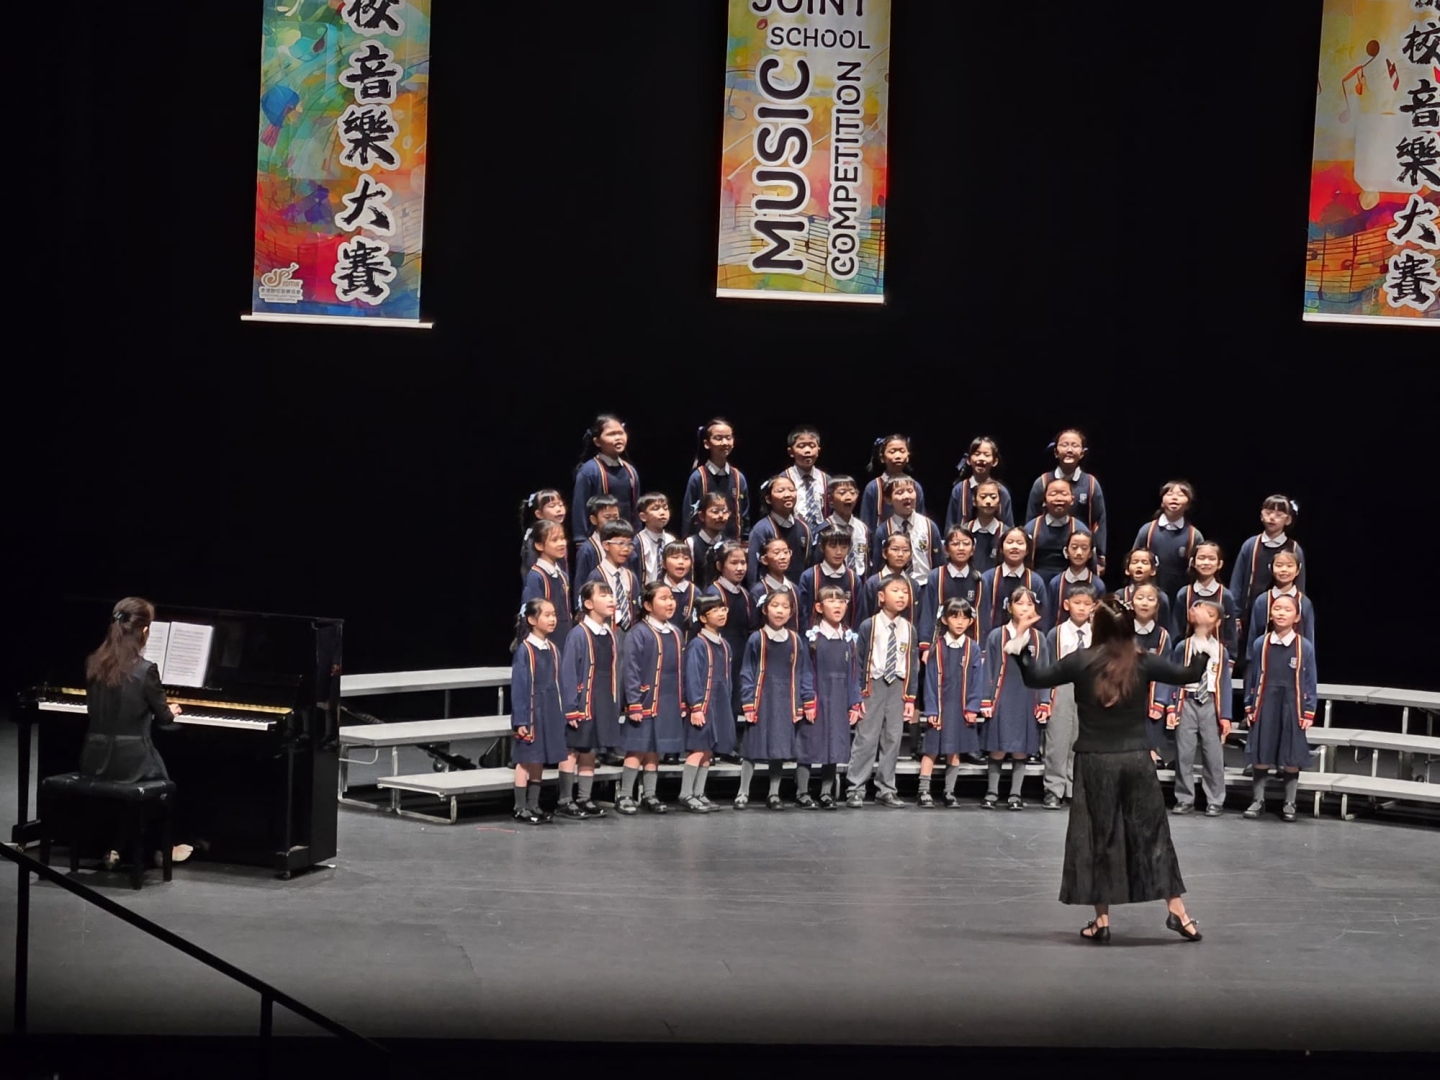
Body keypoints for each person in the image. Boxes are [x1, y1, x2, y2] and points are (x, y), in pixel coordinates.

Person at [1010, 594, 1207, 943]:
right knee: (1152, 835)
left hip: (1095, 761)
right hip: (1136, 759)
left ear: (1096, 627)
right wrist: (1202, 634)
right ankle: (1179, 913)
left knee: (1097, 837)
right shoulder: (1143, 660)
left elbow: (1034, 678)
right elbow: (1191, 673)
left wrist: (1021, 637)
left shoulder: (1080, 661)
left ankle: (1102, 921)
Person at [81, 597, 192, 868]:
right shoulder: (145, 669)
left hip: (93, 756)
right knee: (163, 789)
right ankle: (162, 847)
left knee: (142, 789)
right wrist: (171, 709)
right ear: (144, 631)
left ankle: (116, 847)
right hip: (132, 760)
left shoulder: (93, 662)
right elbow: (164, 717)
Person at [1242, 594, 1317, 824]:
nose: (1281, 613)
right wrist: (1249, 704)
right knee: (1261, 752)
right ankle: (1258, 799)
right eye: (1277, 608)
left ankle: (1290, 802)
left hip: (1292, 703)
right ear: (1270, 613)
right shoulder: (1261, 644)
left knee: (1292, 754)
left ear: (1297, 617)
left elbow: (1310, 680)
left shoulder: (1304, 646)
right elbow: (1252, 677)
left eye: (1287, 609)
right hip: (1266, 701)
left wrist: (1309, 710)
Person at [737, 591, 815, 810]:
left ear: (791, 612)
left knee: (778, 747)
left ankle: (773, 793)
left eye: (785, 607)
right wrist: (748, 702)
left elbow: (804, 672)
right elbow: (747, 672)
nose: (780, 611)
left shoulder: (795, 640)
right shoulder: (757, 639)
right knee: (752, 746)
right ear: (765, 609)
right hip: (762, 699)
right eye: (775, 605)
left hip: (786, 700)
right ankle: (743, 792)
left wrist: (807, 699)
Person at [846, 577, 919, 808]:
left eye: (905, 592)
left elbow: (912, 664)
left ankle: (886, 788)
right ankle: (855, 788)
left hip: (897, 685)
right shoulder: (870, 625)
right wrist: (858, 694)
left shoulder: (909, 628)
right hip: (873, 684)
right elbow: (859, 661)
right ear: (881, 596)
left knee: (892, 738)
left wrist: (910, 698)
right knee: (866, 737)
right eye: (895, 590)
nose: (901, 596)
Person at [618, 583, 686, 815]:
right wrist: (634, 702)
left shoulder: (676, 633)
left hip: (667, 699)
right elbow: (631, 670)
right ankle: (625, 794)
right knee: (637, 748)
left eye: (671, 598)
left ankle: (649, 794)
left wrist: (682, 700)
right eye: (663, 598)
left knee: (654, 749)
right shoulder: (638, 633)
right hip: (645, 699)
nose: (670, 603)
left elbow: (680, 670)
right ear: (648, 605)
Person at [981, 588, 1050, 809]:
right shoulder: (997, 635)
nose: (1025, 608)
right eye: (1020, 603)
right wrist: (986, 699)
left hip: (1027, 698)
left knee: (1021, 748)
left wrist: (1044, 702)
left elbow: (1044, 670)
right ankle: (992, 792)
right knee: (998, 746)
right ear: (1010, 607)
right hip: (1002, 697)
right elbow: (988, 669)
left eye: (1029, 604)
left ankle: (1015, 794)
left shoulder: (1038, 638)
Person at [797, 586, 862, 809]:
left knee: (834, 744)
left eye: (842, 601)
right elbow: (805, 671)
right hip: (818, 697)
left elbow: (854, 673)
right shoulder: (812, 638)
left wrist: (854, 702)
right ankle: (802, 792)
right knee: (810, 744)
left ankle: (826, 792)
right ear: (819, 607)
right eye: (831, 601)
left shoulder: (849, 638)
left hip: (839, 697)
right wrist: (808, 699)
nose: (838, 606)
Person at [558, 582, 619, 818]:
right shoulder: (579, 634)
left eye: (611, 595)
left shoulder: (609, 633)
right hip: (582, 700)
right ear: (588, 603)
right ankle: (565, 799)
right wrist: (571, 706)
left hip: (601, 699)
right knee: (573, 748)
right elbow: (569, 672)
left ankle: (584, 797)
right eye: (604, 596)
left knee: (590, 749)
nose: (611, 600)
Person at [916, 599, 984, 808]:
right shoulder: (936, 648)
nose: (960, 622)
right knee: (931, 750)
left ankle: (949, 791)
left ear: (971, 621)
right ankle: (923, 790)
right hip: (940, 706)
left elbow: (977, 681)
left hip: (960, 707)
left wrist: (972, 707)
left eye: (964, 617)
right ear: (945, 620)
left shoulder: (972, 648)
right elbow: (929, 682)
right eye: (955, 617)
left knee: (954, 751)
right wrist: (932, 709)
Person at [1169, 600, 1233, 818]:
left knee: (1213, 754)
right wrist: (1171, 708)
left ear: (1217, 622)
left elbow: (1224, 683)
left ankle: (1215, 799)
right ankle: (1184, 797)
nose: (1204, 617)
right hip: (1187, 701)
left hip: (1210, 703)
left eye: (1210, 614)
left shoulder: (1220, 651)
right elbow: (1173, 676)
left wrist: (1225, 715)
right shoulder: (1183, 647)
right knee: (1184, 753)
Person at [1040, 583, 1097, 809]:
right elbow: (1048, 665)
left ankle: (1074, 788)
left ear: (1094, 607)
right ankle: (1054, 788)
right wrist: (1046, 696)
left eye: (1087, 604)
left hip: (1088, 688)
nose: (1081, 608)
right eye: (1077, 603)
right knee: (1058, 739)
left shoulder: (1097, 633)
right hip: (1062, 686)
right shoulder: (1057, 633)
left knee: (1079, 739)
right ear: (1066, 605)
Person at [510, 599, 567, 825]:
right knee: (526, 759)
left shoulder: (553, 649)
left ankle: (534, 804)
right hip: (531, 713)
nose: (552, 619)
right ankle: (520, 806)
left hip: (549, 711)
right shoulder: (525, 651)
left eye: (554, 615)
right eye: (547, 615)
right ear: (533, 620)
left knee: (539, 759)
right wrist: (521, 720)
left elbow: (559, 684)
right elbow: (519, 688)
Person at [1024, 428, 1108, 574]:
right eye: (1064, 445)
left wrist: (1100, 557)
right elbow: (1031, 518)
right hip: (1044, 550)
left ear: (1082, 453)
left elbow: (1099, 522)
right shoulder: (1042, 482)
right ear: (1056, 452)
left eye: (1075, 445)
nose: (1069, 450)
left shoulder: (1091, 484)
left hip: (1079, 552)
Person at [680, 594, 736, 812]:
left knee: (708, 751)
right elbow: (692, 676)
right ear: (703, 618)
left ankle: (699, 792)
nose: (721, 614)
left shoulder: (725, 644)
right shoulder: (698, 645)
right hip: (703, 704)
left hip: (719, 703)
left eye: (723, 609)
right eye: (715, 610)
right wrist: (695, 706)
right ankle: (686, 793)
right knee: (698, 749)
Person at [1229, 495, 1307, 644]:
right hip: (1250, 611)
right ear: (1261, 515)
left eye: (1278, 515)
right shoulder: (1251, 545)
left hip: (1282, 614)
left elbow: (1300, 585)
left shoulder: (1294, 549)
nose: (1272, 518)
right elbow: (1237, 581)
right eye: (1268, 512)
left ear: (1288, 520)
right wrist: (1235, 614)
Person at [705, 540, 755, 728]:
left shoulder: (745, 594)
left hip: (740, 654)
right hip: (719, 653)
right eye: (734, 563)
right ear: (720, 565)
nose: (740, 568)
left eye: (743, 562)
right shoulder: (714, 592)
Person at [572, 414, 640, 541]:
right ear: (597, 441)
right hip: (599, 540)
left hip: (626, 539)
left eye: (621, 433)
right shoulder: (589, 471)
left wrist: (637, 538)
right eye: (611, 434)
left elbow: (635, 509)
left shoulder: (630, 470)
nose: (618, 438)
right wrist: (580, 540)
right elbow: (579, 509)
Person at [1133, 481, 1203, 602]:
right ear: (1162, 501)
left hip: (1180, 597)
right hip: (1149, 596)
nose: (1174, 498)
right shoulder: (1147, 530)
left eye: (1180, 495)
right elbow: (1134, 562)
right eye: (1170, 494)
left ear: (1188, 504)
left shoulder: (1194, 535)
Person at [978, 526, 1050, 639]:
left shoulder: (1036, 581)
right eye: (1010, 542)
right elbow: (982, 615)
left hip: (1027, 640)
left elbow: (1043, 618)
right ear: (1001, 548)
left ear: (1027, 550)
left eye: (1020, 543)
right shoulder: (988, 578)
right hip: (994, 640)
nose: (1015, 547)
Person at [683, 418, 749, 541]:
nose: (725, 443)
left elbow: (744, 516)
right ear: (707, 443)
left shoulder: (738, 477)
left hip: (732, 545)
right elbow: (688, 517)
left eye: (728, 438)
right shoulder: (698, 477)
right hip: (702, 545)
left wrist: (744, 542)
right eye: (718, 438)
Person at [1171, 541, 1240, 656]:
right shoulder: (1184, 594)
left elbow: (1231, 632)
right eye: (1201, 558)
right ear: (1193, 562)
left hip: (1217, 657)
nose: (1206, 562)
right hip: (1188, 655)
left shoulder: (1226, 596)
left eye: (1211, 559)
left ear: (1220, 564)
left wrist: (1230, 659)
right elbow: (1177, 630)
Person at [918, 528, 984, 646]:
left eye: (966, 544)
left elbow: (983, 616)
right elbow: (928, 612)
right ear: (946, 550)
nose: (961, 548)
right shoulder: (936, 576)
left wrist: (982, 648)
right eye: (955, 544)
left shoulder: (979, 579)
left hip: (970, 642)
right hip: (940, 641)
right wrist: (925, 644)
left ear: (972, 550)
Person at [1023, 476, 1094, 581]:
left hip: (1071, 582)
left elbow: (1091, 566)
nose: (1059, 498)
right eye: (1053, 494)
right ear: (1044, 500)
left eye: (1064, 494)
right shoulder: (1031, 528)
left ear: (1072, 500)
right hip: (1037, 581)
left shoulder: (1080, 529)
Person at [869, 476, 943, 577]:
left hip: (924, 583)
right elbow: (878, 568)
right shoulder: (883, 530)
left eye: (910, 491)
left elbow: (939, 564)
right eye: (899, 492)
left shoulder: (929, 526)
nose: (907, 496)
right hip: (894, 584)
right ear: (888, 499)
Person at [746, 475, 812, 585]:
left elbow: (808, 565)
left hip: (797, 590)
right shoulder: (762, 529)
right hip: (771, 592)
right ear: (768, 499)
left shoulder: (804, 528)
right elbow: (753, 570)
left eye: (791, 490)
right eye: (780, 491)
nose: (787, 495)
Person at [797, 524, 859, 633]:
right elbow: (803, 615)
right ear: (822, 547)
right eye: (833, 546)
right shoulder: (809, 576)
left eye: (844, 547)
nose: (839, 552)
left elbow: (858, 615)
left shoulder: (853, 579)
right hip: (815, 638)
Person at [860, 434, 927, 533]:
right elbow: (866, 524)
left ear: (908, 456)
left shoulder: (915, 486)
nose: (898, 456)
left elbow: (922, 520)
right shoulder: (873, 487)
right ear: (882, 458)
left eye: (902, 451)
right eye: (892, 451)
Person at [946, 436, 1014, 532]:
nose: (981, 458)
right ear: (968, 460)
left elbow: (1009, 530)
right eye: (977, 454)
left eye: (986, 455)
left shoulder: (1002, 491)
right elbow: (950, 527)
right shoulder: (959, 490)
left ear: (995, 461)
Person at [1246, 550, 1315, 646]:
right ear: (1271, 569)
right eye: (1279, 565)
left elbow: (1309, 635)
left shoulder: (1304, 602)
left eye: (1289, 566)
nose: (1284, 569)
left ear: (1297, 570)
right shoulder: (1262, 600)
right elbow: (1253, 635)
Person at [520, 521, 573, 640]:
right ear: (539, 545)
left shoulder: (562, 575)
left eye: (562, 538)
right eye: (554, 540)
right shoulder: (536, 577)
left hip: (564, 637)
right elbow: (531, 614)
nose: (561, 543)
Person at [585, 520, 642, 632]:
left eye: (629, 544)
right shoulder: (596, 576)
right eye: (620, 543)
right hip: (605, 631)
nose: (626, 549)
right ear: (606, 545)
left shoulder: (631, 577)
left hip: (630, 632)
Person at [782, 425, 830, 535]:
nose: (807, 451)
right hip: (792, 534)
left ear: (818, 450)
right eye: (801, 446)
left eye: (812, 446)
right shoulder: (783, 479)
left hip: (822, 536)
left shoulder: (827, 480)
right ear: (791, 452)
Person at [1047, 532, 1105, 619]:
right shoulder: (1056, 583)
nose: (1079, 552)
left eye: (1084, 548)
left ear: (1090, 553)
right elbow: (1050, 616)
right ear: (1066, 551)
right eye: (1074, 547)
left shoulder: (1098, 585)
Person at [749, 537, 801, 633]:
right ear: (765, 560)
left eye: (786, 552)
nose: (783, 557)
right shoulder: (758, 591)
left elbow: (800, 621)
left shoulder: (794, 589)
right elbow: (754, 627)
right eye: (776, 553)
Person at [1115, 548, 1172, 634]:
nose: (1139, 565)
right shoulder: (1119, 596)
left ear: (1153, 571)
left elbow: (1165, 626)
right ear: (1127, 570)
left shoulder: (1161, 597)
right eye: (1135, 562)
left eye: (1144, 562)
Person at [826, 474, 870, 578]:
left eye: (852, 493)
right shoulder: (826, 528)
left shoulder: (862, 528)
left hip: (859, 579)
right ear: (830, 499)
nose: (848, 497)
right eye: (842, 493)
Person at [518, 489, 568, 581]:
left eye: (561, 505)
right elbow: (531, 572)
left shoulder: (559, 532)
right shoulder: (533, 538)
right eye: (552, 506)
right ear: (539, 514)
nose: (559, 509)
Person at [960, 479, 1006, 576]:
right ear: (974, 501)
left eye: (993, 497)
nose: (988, 501)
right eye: (983, 497)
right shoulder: (963, 531)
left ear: (999, 502)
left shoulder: (1006, 533)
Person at [686, 492, 732, 589]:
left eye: (724, 511)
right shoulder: (691, 543)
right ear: (701, 516)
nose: (721, 516)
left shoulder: (730, 545)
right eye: (715, 511)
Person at [635, 492, 677, 584]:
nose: (662, 512)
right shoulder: (638, 541)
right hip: (646, 589)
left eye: (665, 508)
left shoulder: (671, 539)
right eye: (656, 508)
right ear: (643, 517)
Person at [659, 542, 697, 633]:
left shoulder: (695, 592)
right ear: (663, 563)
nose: (681, 562)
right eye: (675, 557)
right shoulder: (655, 590)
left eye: (686, 558)